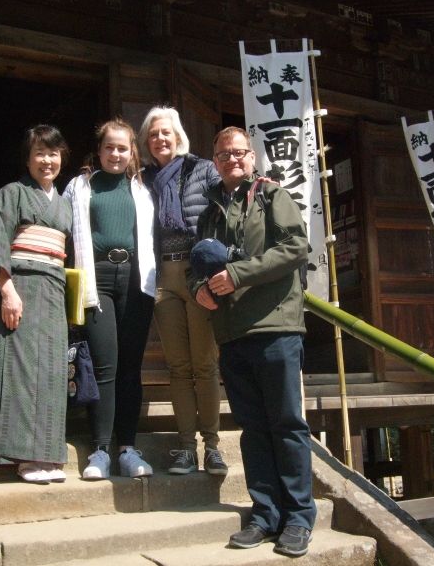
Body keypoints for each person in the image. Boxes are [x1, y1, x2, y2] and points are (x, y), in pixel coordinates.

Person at [190, 126, 317, 557]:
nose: (232, 160)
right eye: (224, 154)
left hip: (275, 326)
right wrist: (199, 291)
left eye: (239, 152)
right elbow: (197, 266)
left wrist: (238, 274)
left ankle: (299, 517)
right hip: (231, 331)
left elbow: (297, 246)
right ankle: (265, 515)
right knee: (253, 428)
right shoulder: (209, 209)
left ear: (252, 157)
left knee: (286, 425)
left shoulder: (270, 195)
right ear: (215, 159)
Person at [0, 124, 72, 484]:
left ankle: (49, 456)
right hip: (21, 286)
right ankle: (22, 457)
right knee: (21, 368)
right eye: (40, 153)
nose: (47, 160)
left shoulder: (64, 205)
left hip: (54, 290)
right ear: (27, 159)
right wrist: (7, 291)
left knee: (52, 372)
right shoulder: (11, 195)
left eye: (54, 153)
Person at [137, 106, 228, 476]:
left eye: (165, 132)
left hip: (196, 273)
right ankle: (186, 447)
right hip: (162, 276)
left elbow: (226, 209)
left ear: (178, 136)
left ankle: (212, 446)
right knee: (177, 367)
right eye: (153, 134)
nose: (160, 138)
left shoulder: (202, 169)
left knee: (204, 365)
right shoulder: (142, 179)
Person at [64, 118, 157, 480]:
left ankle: (128, 449)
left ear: (131, 151)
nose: (116, 154)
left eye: (123, 148)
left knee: (131, 367)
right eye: (109, 147)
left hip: (135, 279)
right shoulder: (81, 186)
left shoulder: (142, 187)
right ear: (99, 150)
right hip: (96, 277)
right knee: (104, 364)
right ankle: (100, 450)